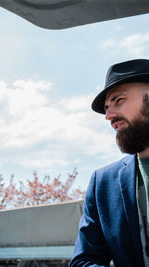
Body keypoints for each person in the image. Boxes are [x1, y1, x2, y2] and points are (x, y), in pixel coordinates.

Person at [71, 58, 149, 267]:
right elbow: (84, 260)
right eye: (106, 107)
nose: (108, 116)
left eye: (119, 100)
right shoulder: (103, 183)